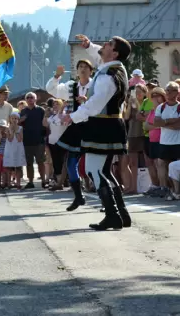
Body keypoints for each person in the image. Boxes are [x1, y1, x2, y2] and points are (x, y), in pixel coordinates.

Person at [62, 35, 133, 231]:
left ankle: (112, 216)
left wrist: (74, 116)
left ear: (115, 52)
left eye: (109, 44)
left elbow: (97, 102)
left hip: (102, 126)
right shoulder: (113, 69)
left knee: (95, 170)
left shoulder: (109, 75)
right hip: (109, 125)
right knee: (104, 171)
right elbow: (100, 58)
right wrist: (89, 46)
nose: (104, 45)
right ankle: (122, 214)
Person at [48, 55, 94, 212]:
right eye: (80, 67)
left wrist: (87, 101)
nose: (82, 69)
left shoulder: (95, 86)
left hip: (92, 127)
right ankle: (79, 196)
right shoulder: (71, 86)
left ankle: (107, 198)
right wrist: (56, 76)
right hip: (76, 127)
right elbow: (52, 90)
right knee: (69, 161)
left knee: (96, 165)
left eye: (86, 67)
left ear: (91, 71)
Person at [149, 82, 180, 198]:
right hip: (165, 141)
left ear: (177, 93)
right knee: (162, 164)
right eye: (167, 90)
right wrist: (170, 121)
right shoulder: (161, 107)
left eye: (171, 90)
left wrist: (164, 123)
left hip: (179, 141)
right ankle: (165, 188)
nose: (168, 93)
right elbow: (156, 122)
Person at [122, 84, 148, 196]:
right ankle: (133, 187)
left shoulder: (147, 103)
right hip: (132, 134)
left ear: (144, 92)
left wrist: (136, 104)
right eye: (135, 92)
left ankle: (146, 186)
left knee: (147, 161)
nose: (137, 94)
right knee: (133, 162)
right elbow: (126, 117)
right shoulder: (131, 103)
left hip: (144, 134)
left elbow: (142, 115)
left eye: (140, 91)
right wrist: (129, 105)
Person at [18, 92, 47, 189]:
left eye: (32, 97)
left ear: (36, 99)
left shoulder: (40, 110)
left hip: (39, 140)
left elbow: (46, 124)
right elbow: (18, 125)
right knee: (29, 163)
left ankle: (43, 181)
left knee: (40, 162)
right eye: (28, 97)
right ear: (26, 100)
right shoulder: (23, 111)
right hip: (27, 141)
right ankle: (30, 182)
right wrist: (20, 120)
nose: (30, 99)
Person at [46, 98, 67, 190]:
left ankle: (64, 181)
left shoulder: (65, 115)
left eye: (57, 104)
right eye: (54, 104)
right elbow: (45, 124)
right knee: (56, 162)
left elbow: (63, 123)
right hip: (52, 142)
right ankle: (59, 182)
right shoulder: (51, 117)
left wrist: (62, 110)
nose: (55, 106)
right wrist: (45, 114)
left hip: (62, 142)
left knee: (63, 162)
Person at [3, 112, 25, 188]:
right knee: (9, 166)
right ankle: (9, 183)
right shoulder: (7, 128)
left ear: (18, 119)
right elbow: (10, 139)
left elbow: (20, 139)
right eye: (12, 118)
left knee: (18, 166)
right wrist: (11, 131)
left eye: (16, 118)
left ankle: (18, 183)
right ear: (10, 119)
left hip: (18, 148)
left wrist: (16, 131)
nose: (14, 120)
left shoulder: (21, 128)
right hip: (10, 148)